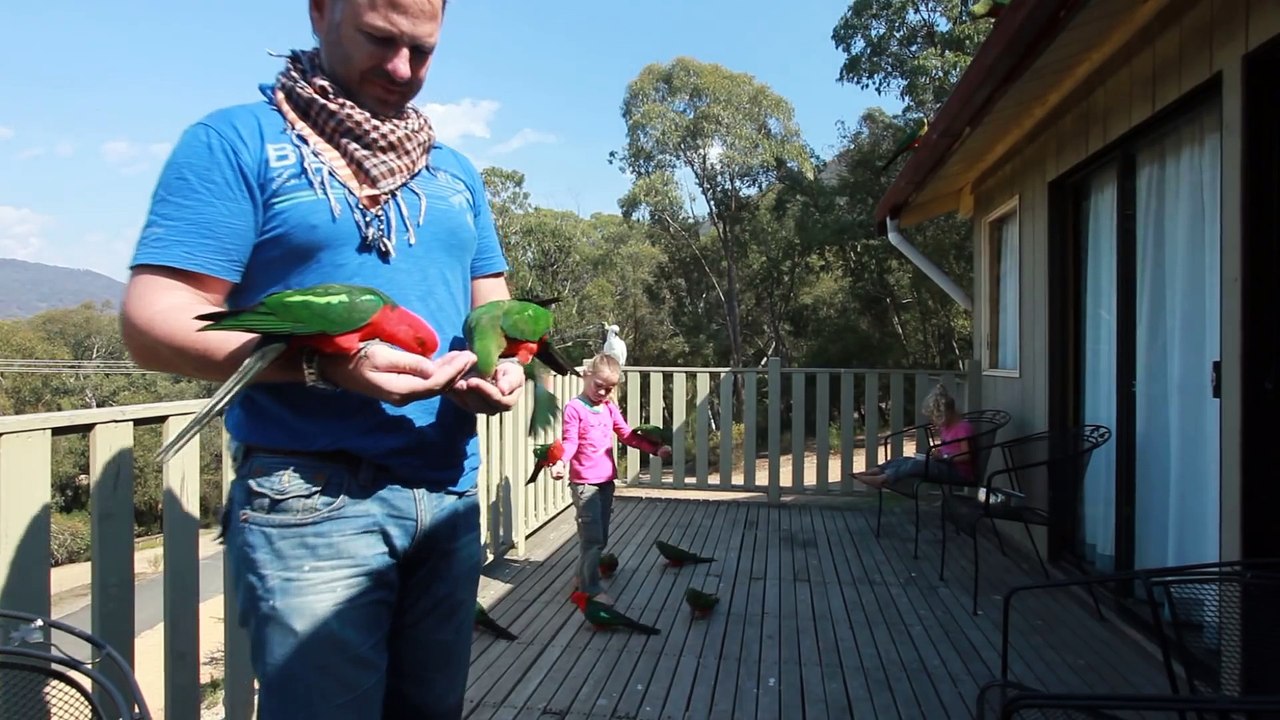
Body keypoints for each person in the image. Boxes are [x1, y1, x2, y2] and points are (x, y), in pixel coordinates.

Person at [118, 1, 522, 717]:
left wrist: (497, 368)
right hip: (312, 499)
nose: (403, 69)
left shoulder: (456, 173)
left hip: (449, 493)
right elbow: (154, 323)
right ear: (321, 12)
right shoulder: (236, 142)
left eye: (422, 51)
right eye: (380, 40)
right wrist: (321, 367)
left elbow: (492, 311)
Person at [549, 353, 671, 605]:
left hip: (606, 482)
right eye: (599, 386)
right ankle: (590, 590)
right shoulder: (575, 408)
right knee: (592, 538)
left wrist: (654, 449)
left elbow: (627, 435)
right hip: (584, 484)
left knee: (599, 537)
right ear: (587, 375)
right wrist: (561, 462)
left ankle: (581, 577)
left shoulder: (609, 408)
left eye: (609, 388)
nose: (603, 392)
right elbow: (570, 442)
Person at [854, 384, 975, 490]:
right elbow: (949, 448)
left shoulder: (962, 428)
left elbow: (967, 455)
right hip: (944, 465)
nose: (935, 423)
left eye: (936, 419)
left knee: (915, 465)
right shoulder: (947, 428)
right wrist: (939, 453)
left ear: (947, 414)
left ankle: (883, 479)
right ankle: (874, 471)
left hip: (958, 472)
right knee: (902, 460)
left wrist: (944, 457)